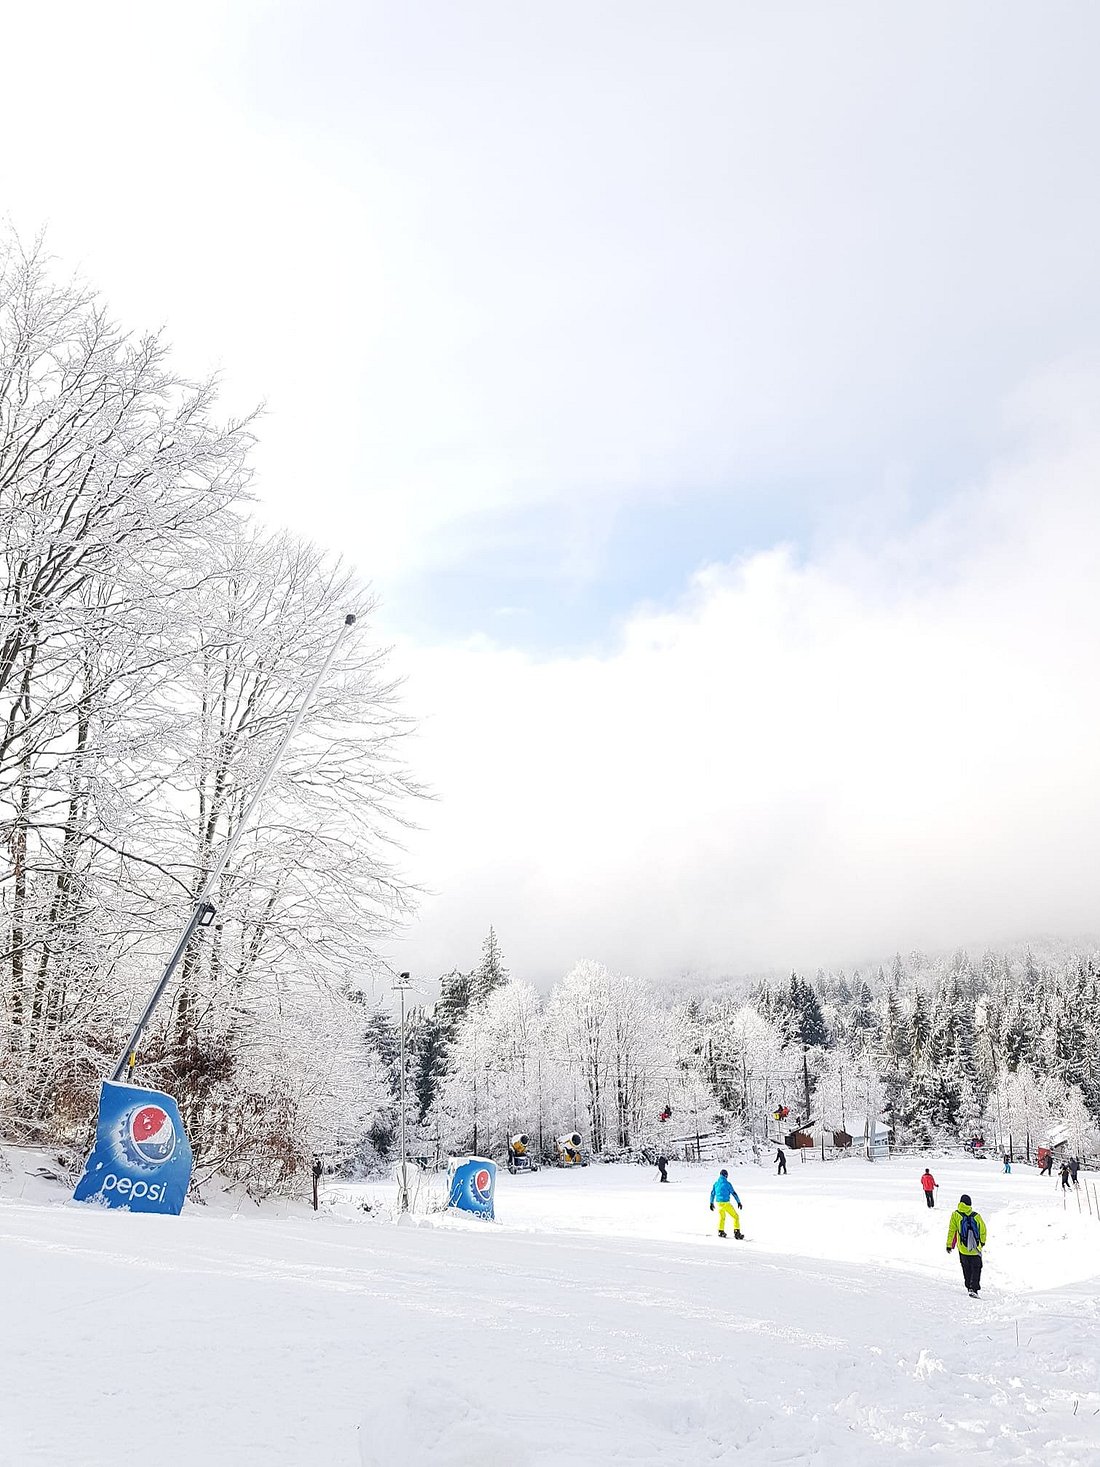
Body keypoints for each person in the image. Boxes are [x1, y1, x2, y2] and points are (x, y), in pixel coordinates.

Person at [946, 1193, 987, 1297]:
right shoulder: (976, 1216)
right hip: (975, 1248)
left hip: (963, 1248)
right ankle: (974, 1288)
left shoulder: (956, 1215)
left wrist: (949, 1244)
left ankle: (969, 1286)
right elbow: (983, 1230)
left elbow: (952, 1230)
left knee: (966, 1267)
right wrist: (982, 1242)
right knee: (976, 1268)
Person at [709, 1169, 744, 1239]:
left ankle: (720, 1231)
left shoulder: (716, 1184)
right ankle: (737, 1232)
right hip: (726, 1203)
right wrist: (738, 1202)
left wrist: (711, 1203)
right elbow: (734, 1193)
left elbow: (712, 1194)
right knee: (736, 1216)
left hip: (718, 1203)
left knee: (722, 1217)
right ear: (726, 1175)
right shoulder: (727, 1184)